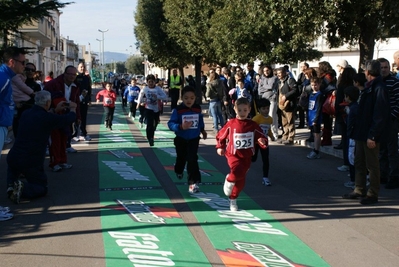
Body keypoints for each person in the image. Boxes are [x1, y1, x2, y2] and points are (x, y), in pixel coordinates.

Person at [6, 91, 77, 203]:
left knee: (13, 174)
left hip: (14, 155)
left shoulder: (26, 113)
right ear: (48, 102)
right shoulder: (46, 118)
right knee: (41, 187)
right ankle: (22, 188)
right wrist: (73, 108)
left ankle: (11, 185)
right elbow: (67, 119)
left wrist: (54, 110)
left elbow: (44, 117)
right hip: (31, 159)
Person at [342, 60, 390, 205]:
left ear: (368, 72)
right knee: (359, 162)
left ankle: (372, 193)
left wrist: (373, 135)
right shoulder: (368, 87)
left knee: (372, 165)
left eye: (365, 71)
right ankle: (359, 188)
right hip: (361, 132)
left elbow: (380, 114)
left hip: (370, 133)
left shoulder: (379, 88)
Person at [216, 98, 268, 211]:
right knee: (236, 172)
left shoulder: (253, 125)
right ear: (235, 109)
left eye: (245, 110)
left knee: (241, 180)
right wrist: (220, 146)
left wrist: (262, 141)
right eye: (239, 110)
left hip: (247, 156)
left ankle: (233, 199)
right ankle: (229, 179)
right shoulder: (231, 124)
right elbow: (221, 135)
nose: (242, 113)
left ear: (249, 110)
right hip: (233, 154)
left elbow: (261, 136)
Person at [0, 46, 26, 215]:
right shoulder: (3, 77)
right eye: (23, 63)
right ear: (12, 62)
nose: (24, 66)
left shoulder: (6, 77)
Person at [168, 86, 207, 193]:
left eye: (191, 98)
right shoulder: (178, 110)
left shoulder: (197, 108)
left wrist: (203, 130)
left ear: (195, 98)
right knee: (181, 158)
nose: (189, 100)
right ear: (182, 98)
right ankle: (178, 170)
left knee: (192, 159)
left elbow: (200, 121)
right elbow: (170, 124)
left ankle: (193, 183)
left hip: (194, 138)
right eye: (186, 98)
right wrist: (180, 127)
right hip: (181, 138)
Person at [44, 65, 81, 172]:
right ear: (64, 74)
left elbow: (76, 102)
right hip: (54, 115)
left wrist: (78, 116)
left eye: (74, 74)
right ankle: (54, 162)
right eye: (70, 74)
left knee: (64, 139)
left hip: (67, 116)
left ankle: (63, 161)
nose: (72, 76)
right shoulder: (53, 84)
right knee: (55, 140)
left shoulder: (76, 86)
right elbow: (45, 96)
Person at [376, 58, 399, 188]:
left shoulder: (394, 82)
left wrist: (392, 117)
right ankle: (382, 174)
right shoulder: (377, 83)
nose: (384, 70)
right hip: (379, 122)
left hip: (391, 121)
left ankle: (394, 176)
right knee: (381, 149)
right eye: (381, 68)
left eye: (386, 67)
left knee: (392, 150)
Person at [136, 74, 167, 146]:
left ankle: (151, 134)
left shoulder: (158, 88)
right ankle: (150, 138)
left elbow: (164, 96)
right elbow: (140, 95)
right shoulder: (145, 89)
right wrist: (138, 103)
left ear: (154, 82)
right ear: (147, 82)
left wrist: (158, 97)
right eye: (149, 82)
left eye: (152, 82)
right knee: (149, 124)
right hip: (148, 108)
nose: (150, 83)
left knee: (155, 123)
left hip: (156, 109)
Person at [252, 98, 274, 186]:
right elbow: (251, 129)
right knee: (253, 159)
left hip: (264, 143)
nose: (266, 110)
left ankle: (265, 177)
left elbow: (268, 129)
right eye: (263, 109)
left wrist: (271, 136)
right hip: (256, 143)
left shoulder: (270, 119)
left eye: (267, 108)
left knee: (266, 160)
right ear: (259, 109)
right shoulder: (256, 118)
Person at [342, 86, 360, 189]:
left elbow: (351, 123)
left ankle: (354, 180)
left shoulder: (353, 108)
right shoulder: (354, 107)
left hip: (353, 136)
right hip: (354, 135)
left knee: (352, 158)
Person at [275, 67, 298, 145]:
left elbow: (295, 90)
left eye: (280, 73)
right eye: (277, 73)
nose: (278, 75)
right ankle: (285, 137)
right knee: (284, 122)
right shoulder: (279, 82)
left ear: (284, 73)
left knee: (290, 121)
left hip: (289, 104)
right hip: (282, 105)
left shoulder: (290, 80)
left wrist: (286, 96)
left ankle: (290, 138)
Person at [257, 65, 278, 140]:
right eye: (264, 71)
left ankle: (274, 133)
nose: (266, 72)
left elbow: (271, 86)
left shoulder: (274, 78)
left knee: (272, 115)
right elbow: (259, 89)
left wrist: (264, 86)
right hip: (264, 98)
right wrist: (264, 87)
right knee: (264, 116)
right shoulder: (261, 78)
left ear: (270, 70)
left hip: (272, 98)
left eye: (267, 70)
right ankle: (266, 132)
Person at [74, 62, 92, 141]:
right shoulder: (75, 77)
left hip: (84, 100)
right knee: (75, 118)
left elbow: (88, 89)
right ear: (78, 67)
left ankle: (83, 133)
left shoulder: (87, 78)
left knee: (83, 117)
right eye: (81, 67)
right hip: (75, 100)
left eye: (83, 67)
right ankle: (75, 134)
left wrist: (89, 99)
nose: (82, 68)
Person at [306, 77, 323, 159]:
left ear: (319, 85)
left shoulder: (319, 95)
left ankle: (316, 150)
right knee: (314, 133)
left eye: (315, 85)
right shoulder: (311, 94)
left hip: (316, 117)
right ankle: (315, 149)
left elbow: (319, 108)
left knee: (317, 134)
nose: (314, 87)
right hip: (310, 116)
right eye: (312, 85)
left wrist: (316, 119)